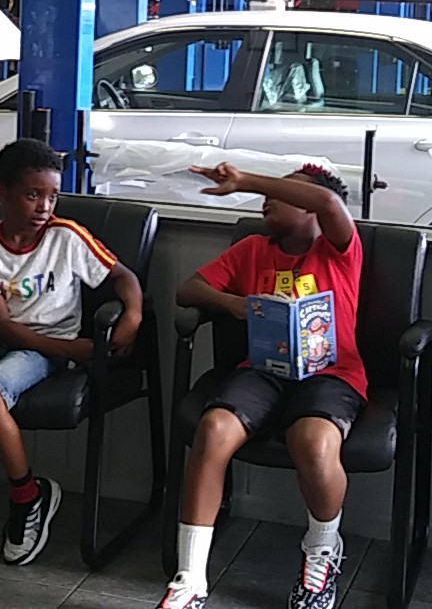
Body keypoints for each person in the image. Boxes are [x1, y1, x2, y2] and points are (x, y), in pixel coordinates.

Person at [0, 138, 144, 569]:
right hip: (8, 338)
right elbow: (1, 328)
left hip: (46, 346)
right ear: (1, 192)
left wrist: (133, 313)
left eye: (52, 196)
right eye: (33, 195)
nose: (44, 207)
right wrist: (74, 349)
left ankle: (28, 496)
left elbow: (123, 276)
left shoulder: (66, 236)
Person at [157, 161, 366, 609]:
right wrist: (233, 303)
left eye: (284, 193)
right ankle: (190, 578)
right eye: (267, 191)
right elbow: (188, 290)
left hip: (331, 373)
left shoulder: (338, 249)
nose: (267, 198)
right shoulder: (252, 249)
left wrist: (246, 180)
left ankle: (322, 549)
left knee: (312, 441)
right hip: (263, 370)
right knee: (213, 429)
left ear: (310, 208)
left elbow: (329, 201)